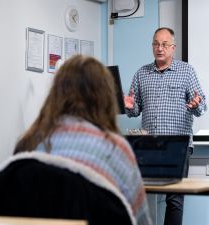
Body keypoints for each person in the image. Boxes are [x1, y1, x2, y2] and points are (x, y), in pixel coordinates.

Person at [14, 55, 152, 225]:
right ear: (105, 97)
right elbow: (140, 220)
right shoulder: (116, 150)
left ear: (56, 93)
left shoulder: (27, 144)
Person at [124, 27, 207, 225]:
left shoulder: (187, 71)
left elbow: (202, 106)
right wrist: (128, 106)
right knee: (143, 197)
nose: (159, 48)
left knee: (175, 200)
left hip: (178, 147)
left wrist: (197, 104)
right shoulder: (141, 74)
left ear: (173, 48)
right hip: (149, 146)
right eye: (156, 44)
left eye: (164, 44)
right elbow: (135, 110)